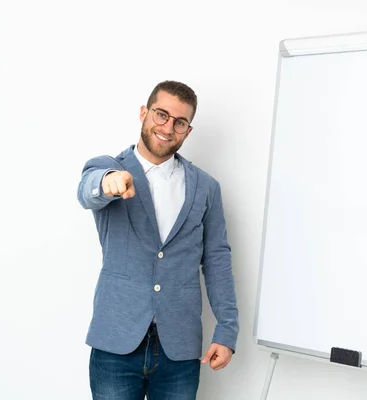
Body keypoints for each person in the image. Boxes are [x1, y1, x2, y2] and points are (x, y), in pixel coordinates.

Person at [77, 80, 239, 399]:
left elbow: (218, 261)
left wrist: (227, 329)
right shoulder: (111, 167)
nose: (168, 127)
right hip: (116, 344)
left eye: (179, 122)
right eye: (161, 115)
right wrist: (108, 183)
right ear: (143, 113)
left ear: (188, 131)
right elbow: (87, 190)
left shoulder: (206, 188)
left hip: (179, 350)